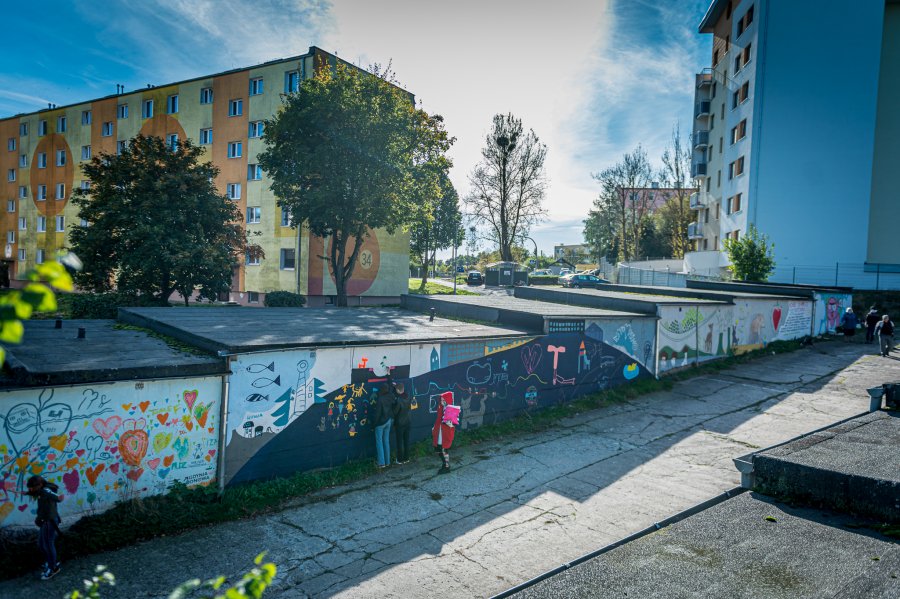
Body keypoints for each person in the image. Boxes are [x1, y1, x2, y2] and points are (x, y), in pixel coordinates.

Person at [26, 475, 62, 580]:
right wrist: (28, 492)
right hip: (45, 521)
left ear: (40, 485)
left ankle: (53, 568)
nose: (31, 489)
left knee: (48, 544)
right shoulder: (42, 490)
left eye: (33, 487)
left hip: (49, 521)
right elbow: (36, 493)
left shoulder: (46, 491)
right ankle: (51, 561)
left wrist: (60, 497)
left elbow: (55, 497)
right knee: (41, 544)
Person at [372, 384, 397, 468]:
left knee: (379, 442)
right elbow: (392, 393)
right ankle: (387, 462)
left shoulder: (380, 399)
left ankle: (381, 463)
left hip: (380, 423)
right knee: (386, 441)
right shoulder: (391, 396)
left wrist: (373, 425)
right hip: (388, 421)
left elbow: (377, 414)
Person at [432, 391, 456, 474]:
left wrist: (450, 423)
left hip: (446, 432)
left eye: (444, 400)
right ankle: (444, 463)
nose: (442, 402)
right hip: (439, 431)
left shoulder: (451, 409)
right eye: (441, 400)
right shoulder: (440, 407)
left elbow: (453, 423)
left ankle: (446, 466)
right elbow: (438, 419)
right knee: (438, 448)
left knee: (444, 449)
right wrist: (435, 427)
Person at [392, 382, 412, 465]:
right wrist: (395, 386)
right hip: (408, 422)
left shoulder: (399, 400)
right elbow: (401, 391)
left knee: (400, 442)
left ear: (397, 390)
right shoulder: (408, 396)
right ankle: (406, 458)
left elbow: (395, 412)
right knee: (406, 441)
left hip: (400, 424)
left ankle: (400, 460)